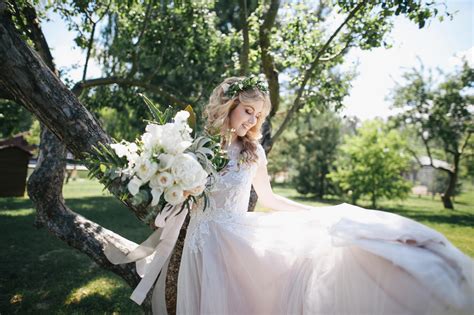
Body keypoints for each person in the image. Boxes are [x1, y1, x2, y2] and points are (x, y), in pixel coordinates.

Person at [106, 75, 473, 315]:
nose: (252, 120)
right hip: (198, 246)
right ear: (229, 105)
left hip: (236, 239)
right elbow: (179, 194)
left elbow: (269, 199)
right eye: (248, 110)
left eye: (259, 115)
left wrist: (318, 215)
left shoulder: (253, 153)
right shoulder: (193, 147)